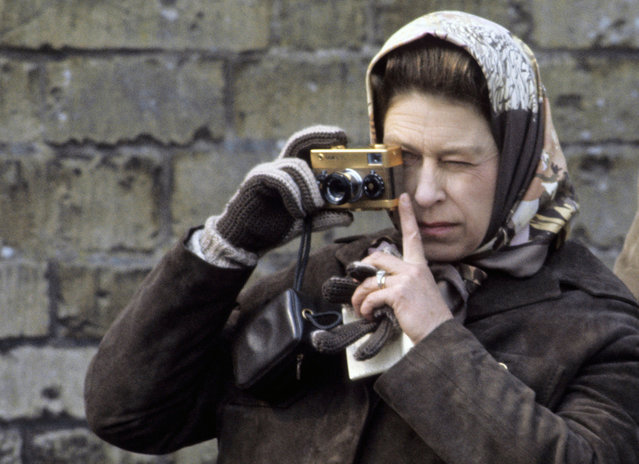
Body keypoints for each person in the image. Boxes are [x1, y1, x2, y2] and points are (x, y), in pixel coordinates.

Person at [84, 11, 639, 463]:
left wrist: (436, 338)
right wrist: (228, 248)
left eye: (457, 161)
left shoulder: (596, 326)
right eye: (405, 158)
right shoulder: (331, 278)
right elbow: (128, 416)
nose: (423, 193)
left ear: (521, 160)